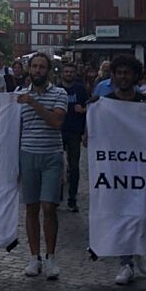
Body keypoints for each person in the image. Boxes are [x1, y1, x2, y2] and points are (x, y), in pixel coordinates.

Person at [99, 54, 146, 285]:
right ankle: (126, 263)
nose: (123, 77)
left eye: (127, 73)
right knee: (121, 214)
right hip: (115, 167)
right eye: (119, 73)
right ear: (113, 75)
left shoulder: (145, 103)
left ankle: (138, 248)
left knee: (140, 213)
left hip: (141, 166)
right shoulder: (104, 103)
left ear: (134, 76)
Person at [17, 52, 67, 280]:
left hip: (51, 156)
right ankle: (34, 256)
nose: (37, 70)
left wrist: (34, 103)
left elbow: (56, 122)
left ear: (48, 70)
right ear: (29, 69)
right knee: (31, 207)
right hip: (28, 154)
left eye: (42, 67)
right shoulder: (18, 95)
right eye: (34, 66)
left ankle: (51, 257)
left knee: (49, 207)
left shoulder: (60, 93)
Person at [59, 62, 87, 213]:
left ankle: (72, 198)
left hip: (75, 132)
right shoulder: (57, 89)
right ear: (62, 73)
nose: (69, 74)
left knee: (74, 166)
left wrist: (82, 109)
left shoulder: (80, 90)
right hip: (58, 130)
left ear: (75, 74)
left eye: (71, 72)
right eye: (67, 71)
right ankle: (56, 195)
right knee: (57, 165)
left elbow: (89, 108)